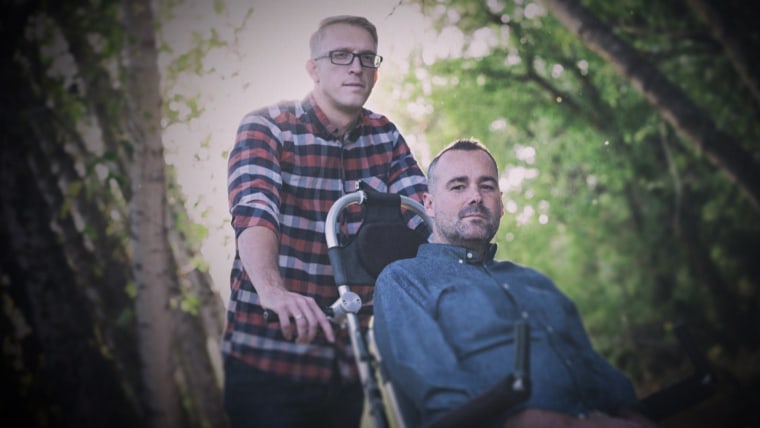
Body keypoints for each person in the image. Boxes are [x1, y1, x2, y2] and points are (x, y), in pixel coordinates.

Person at [223, 15, 428, 428]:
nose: (356, 66)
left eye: (367, 58)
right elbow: (255, 212)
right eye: (341, 55)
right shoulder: (268, 127)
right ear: (313, 68)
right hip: (268, 363)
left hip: (347, 364)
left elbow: (424, 217)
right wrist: (273, 291)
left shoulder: (386, 136)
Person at [372, 138, 657, 428]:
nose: (475, 197)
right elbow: (445, 402)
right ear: (429, 205)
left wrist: (631, 411)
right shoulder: (404, 280)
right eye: (458, 186)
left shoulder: (533, 282)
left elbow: (591, 364)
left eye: (487, 186)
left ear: (501, 203)